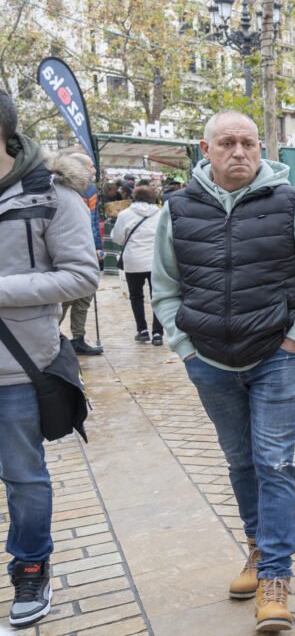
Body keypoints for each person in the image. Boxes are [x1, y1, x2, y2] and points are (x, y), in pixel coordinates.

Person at [152, 111, 295, 633]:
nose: (239, 152)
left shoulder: (289, 202)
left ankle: (276, 576)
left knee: (273, 462)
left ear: (261, 148)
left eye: (248, 143)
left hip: (276, 356)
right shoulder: (178, 208)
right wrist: (184, 345)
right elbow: (165, 285)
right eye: (227, 143)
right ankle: (256, 550)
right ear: (205, 150)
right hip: (208, 359)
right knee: (240, 462)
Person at [0, 91, 100, 628]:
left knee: (23, 478)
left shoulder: (50, 195)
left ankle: (31, 567)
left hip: (16, 367)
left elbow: (82, 276)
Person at [59, 152, 105, 356]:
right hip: (66, 249)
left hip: (86, 249)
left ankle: (78, 337)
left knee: (85, 295)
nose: (94, 170)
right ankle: (52, 335)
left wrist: (97, 246)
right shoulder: (59, 187)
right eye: (90, 166)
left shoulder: (91, 189)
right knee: (64, 297)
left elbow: (93, 221)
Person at [109, 184, 163, 345]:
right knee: (157, 297)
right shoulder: (160, 214)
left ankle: (142, 330)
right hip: (155, 260)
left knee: (136, 296)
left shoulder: (125, 214)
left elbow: (117, 238)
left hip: (133, 261)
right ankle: (158, 333)